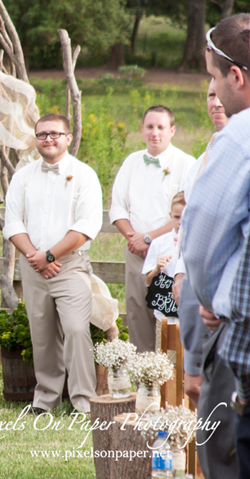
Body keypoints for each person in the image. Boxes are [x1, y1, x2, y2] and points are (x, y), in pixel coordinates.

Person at [181, 14, 250, 479]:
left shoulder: (240, 139)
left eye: (213, 78)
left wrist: (211, 300)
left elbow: (203, 242)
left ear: (237, 76)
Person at [3, 113, 102, 413]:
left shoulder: (84, 175)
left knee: (74, 328)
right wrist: (37, 257)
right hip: (33, 266)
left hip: (69, 266)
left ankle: (84, 399)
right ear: (36, 140)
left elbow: (87, 225)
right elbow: (12, 223)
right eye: (42, 134)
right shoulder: (23, 176)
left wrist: (50, 255)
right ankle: (45, 398)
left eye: (55, 134)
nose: (48, 139)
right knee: (41, 333)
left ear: (68, 138)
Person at [108, 105, 195, 352]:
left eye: (161, 127)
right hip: (137, 252)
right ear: (142, 129)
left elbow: (184, 213)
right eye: (149, 126)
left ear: (172, 130)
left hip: (171, 254)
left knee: (171, 319)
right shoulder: (132, 162)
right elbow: (118, 208)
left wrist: (149, 239)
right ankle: (143, 384)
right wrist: (135, 239)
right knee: (137, 315)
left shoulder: (185, 163)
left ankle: (173, 383)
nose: (154, 133)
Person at [174, 80, 229, 411]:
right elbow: (187, 226)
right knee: (193, 383)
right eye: (210, 95)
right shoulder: (198, 163)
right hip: (195, 278)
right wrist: (180, 273)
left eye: (222, 95)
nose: (216, 103)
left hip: (227, 281)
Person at [141, 191, 184, 322]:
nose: (180, 222)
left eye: (185, 216)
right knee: (164, 341)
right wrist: (157, 269)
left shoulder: (199, 244)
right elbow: (148, 281)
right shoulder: (159, 243)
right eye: (176, 217)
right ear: (170, 216)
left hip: (189, 314)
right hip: (165, 314)